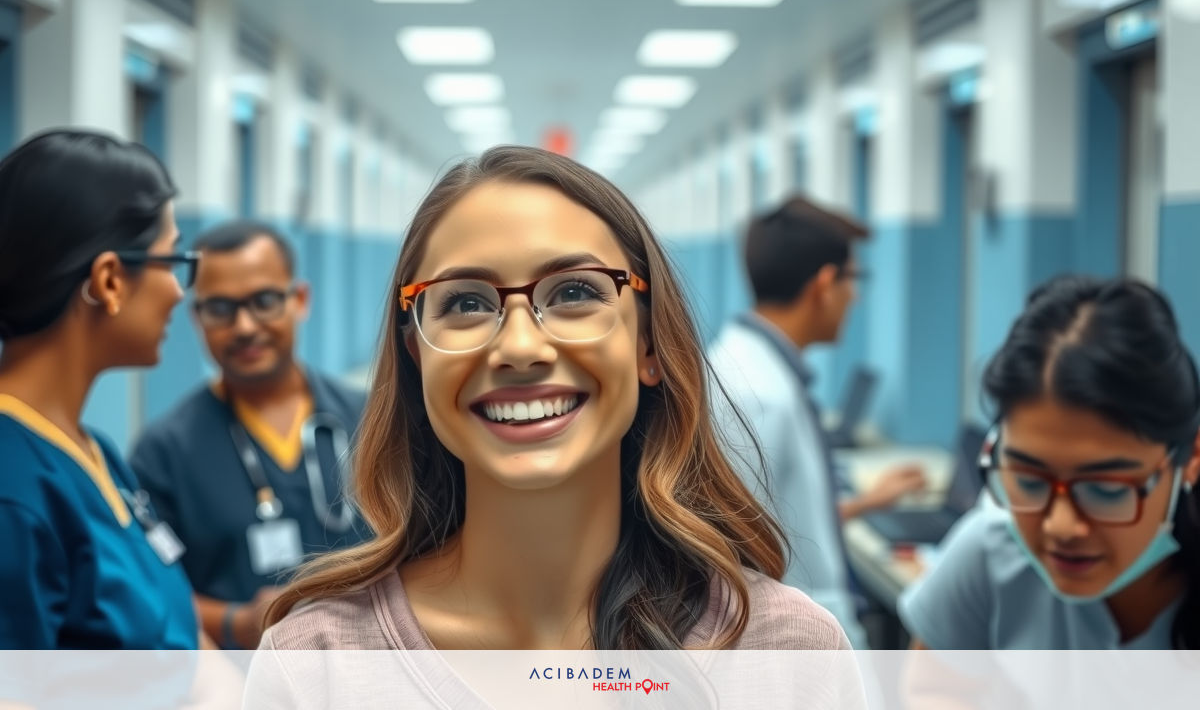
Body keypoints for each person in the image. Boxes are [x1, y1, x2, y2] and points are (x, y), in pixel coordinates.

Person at [253, 145, 862, 661]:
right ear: (417, 354)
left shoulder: (785, 654)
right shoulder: (317, 660)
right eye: (465, 302)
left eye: (574, 291)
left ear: (649, 343)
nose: (519, 347)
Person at [899, 276, 1200, 651]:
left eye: (1105, 490)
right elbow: (927, 689)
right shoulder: (989, 549)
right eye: (1029, 482)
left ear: (1191, 457)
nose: (1061, 527)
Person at [0, 130, 200, 650]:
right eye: (173, 262)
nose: (180, 292)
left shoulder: (96, 454)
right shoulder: (12, 491)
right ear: (110, 280)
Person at [129, 220, 369, 651]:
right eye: (220, 308)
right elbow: (148, 591)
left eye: (263, 301)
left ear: (300, 300)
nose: (243, 326)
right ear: (197, 318)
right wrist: (238, 622)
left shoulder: (374, 419)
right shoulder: (165, 452)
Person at [707, 197, 927, 648]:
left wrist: (867, 502)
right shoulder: (754, 392)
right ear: (826, 284)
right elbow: (730, 547)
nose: (856, 296)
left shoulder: (761, 372)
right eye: (854, 279)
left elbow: (771, 519)